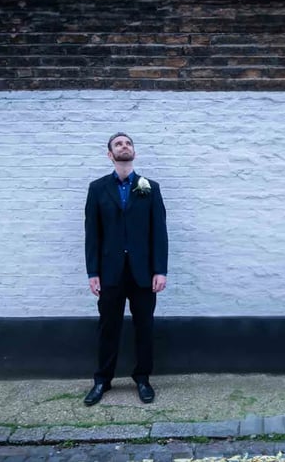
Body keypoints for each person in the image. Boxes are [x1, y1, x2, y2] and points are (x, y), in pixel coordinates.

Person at [83, 133, 168, 406]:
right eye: (118, 144)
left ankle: (142, 378)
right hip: (110, 272)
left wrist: (160, 270)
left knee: (144, 326)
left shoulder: (150, 188)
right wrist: (92, 272)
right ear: (110, 154)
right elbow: (92, 234)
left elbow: (159, 233)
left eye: (128, 143)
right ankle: (102, 380)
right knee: (108, 327)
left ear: (134, 152)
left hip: (143, 273)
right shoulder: (97, 189)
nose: (124, 146)